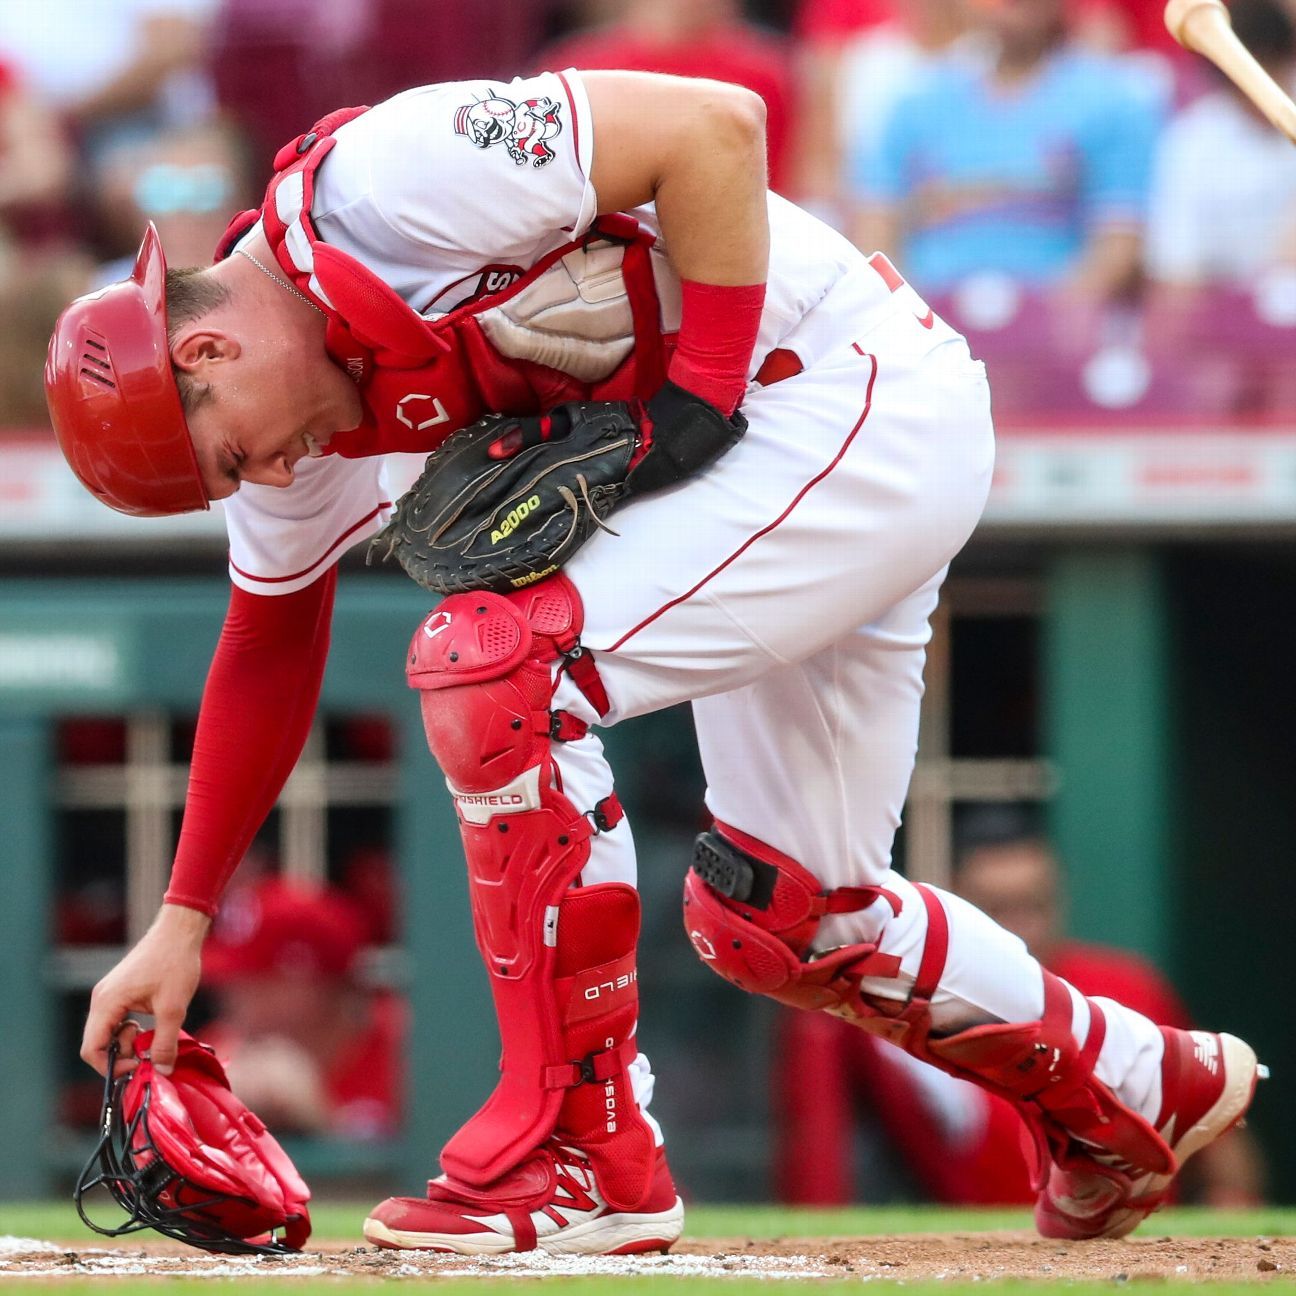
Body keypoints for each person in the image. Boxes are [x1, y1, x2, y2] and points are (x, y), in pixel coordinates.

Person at [48, 65, 1258, 1255]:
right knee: (785, 914)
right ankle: (1134, 1086)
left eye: (226, 461)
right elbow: (265, 648)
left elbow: (714, 126)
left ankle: (584, 1155)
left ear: (203, 359)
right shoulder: (295, 439)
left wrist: (699, 398)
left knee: (494, 662)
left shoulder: (389, 182)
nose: (259, 482)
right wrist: (183, 921)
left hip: (839, 386)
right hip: (776, 455)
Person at [776, 828, 1265, 1207]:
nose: (1021, 924)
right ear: (959, 912)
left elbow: (1208, 1119)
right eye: (999, 908)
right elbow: (825, 1141)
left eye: (1034, 905)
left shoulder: (1128, 983)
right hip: (985, 1242)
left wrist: (1233, 1200)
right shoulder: (897, 1003)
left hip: (1139, 1241)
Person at [850, 0, 1162, 313]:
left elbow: (1117, 246)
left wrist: (1042, 324)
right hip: (927, 329)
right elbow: (875, 231)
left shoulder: (1115, 102)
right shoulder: (912, 103)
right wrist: (913, 322)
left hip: (1060, 334)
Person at [201, 877, 404, 1141]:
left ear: (307, 983)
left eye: (256, 982)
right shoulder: (214, 1053)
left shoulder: (404, 1048)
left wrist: (322, 1123)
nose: (231, 997)